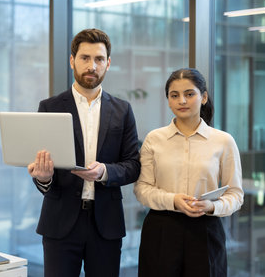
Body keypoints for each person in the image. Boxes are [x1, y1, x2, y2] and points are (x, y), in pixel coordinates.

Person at [27, 28, 141, 277]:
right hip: (60, 223)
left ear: (108, 64)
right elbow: (43, 169)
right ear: (72, 61)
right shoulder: (50, 107)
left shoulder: (122, 110)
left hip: (106, 224)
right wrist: (44, 177)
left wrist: (105, 171)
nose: (92, 66)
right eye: (85, 58)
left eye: (99, 59)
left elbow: (133, 164)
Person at [134, 68, 244, 277]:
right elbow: (141, 189)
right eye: (174, 95)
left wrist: (213, 206)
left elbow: (236, 195)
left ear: (203, 97)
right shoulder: (154, 139)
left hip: (206, 230)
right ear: (168, 100)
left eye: (189, 94)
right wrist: (173, 200)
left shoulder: (223, 141)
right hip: (161, 229)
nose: (182, 100)